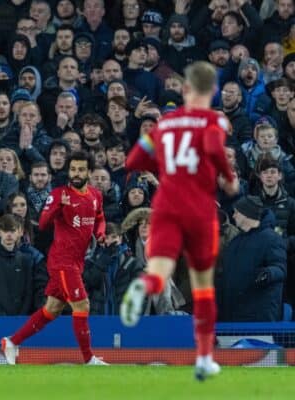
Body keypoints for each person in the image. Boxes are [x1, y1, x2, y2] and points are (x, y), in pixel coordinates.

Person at [121, 61, 240, 380]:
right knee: (202, 288)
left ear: (185, 90)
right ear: (212, 91)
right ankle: (203, 358)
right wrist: (229, 179)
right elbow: (217, 154)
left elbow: (133, 160)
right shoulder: (211, 123)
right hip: (198, 209)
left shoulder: (163, 126)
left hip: (166, 205)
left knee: (158, 274)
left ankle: (142, 286)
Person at [1, 150, 106, 366]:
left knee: (53, 309)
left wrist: (101, 233)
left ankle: (12, 342)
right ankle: (89, 360)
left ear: (89, 172)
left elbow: (100, 218)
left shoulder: (95, 195)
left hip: (77, 261)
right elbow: (44, 221)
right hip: (62, 261)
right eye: (73, 169)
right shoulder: (59, 194)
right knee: (82, 305)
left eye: (81, 169)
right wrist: (60, 206)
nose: (76, 174)